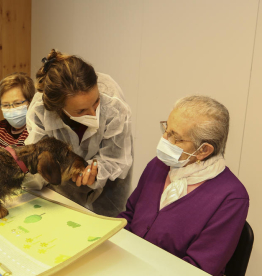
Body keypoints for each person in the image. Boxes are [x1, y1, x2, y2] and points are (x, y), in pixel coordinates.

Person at [117, 95, 249, 276]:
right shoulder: (158, 165)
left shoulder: (231, 198)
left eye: (176, 138)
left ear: (203, 150)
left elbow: (198, 268)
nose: (164, 139)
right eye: (167, 129)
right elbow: (129, 216)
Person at [23, 49, 133, 217]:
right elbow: (40, 158)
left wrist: (95, 171)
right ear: (58, 109)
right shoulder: (41, 109)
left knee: (108, 227)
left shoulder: (112, 103)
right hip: (63, 185)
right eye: (81, 110)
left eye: (96, 102)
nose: (93, 113)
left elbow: (116, 159)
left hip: (109, 189)